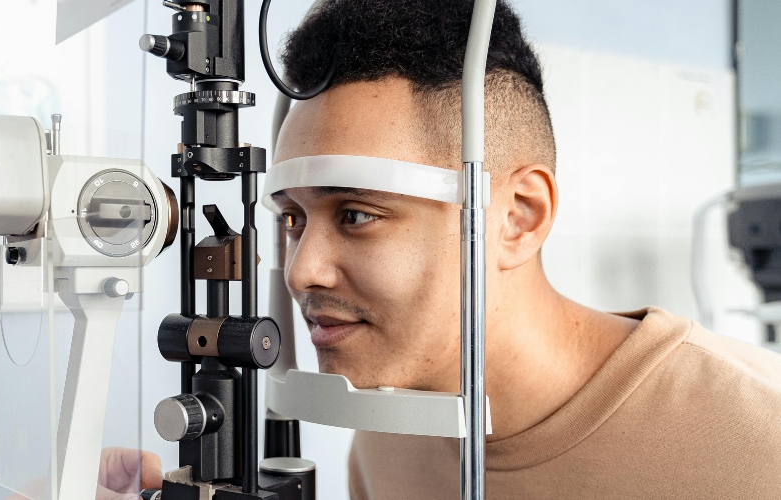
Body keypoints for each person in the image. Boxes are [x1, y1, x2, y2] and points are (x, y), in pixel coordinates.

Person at [271, 0, 781, 498]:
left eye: (358, 215)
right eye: (293, 218)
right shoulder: (386, 438)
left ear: (519, 218)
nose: (302, 271)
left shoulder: (762, 439)